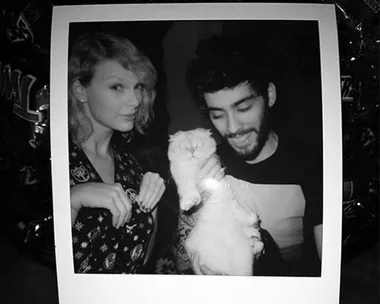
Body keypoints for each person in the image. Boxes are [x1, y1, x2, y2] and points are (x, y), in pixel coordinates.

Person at [180, 34, 323, 276]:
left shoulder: (314, 166)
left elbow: (324, 274)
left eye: (244, 108)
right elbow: (183, 250)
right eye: (218, 115)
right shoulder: (207, 163)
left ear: (270, 95)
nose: (233, 127)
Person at [68, 32, 166, 274]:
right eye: (117, 87)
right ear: (80, 91)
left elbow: (140, 262)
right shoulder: (51, 159)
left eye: (138, 87)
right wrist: (71, 200)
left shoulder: (132, 166)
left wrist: (151, 205)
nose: (135, 100)